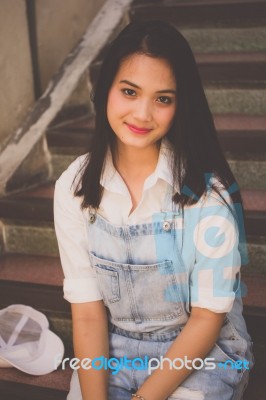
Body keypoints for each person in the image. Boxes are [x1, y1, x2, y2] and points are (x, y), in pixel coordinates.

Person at [54, 20, 254, 400]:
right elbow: (88, 313)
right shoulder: (74, 187)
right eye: (129, 91)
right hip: (116, 347)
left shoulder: (207, 196)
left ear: (181, 105)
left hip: (203, 351)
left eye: (163, 98)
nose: (143, 114)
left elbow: (207, 319)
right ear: (106, 90)